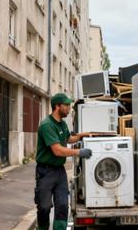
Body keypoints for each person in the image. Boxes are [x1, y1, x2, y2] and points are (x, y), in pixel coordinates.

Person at [35, 93, 92, 230]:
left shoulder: (62, 124)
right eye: (66, 105)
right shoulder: (47, 125)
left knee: (62, 205)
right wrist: (79, 152)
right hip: (45, 172)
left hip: (59, 171)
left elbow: (68, 139)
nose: (69, 108)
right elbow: (58, 150)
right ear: (57, 106)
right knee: (44, 207)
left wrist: (81, 136)